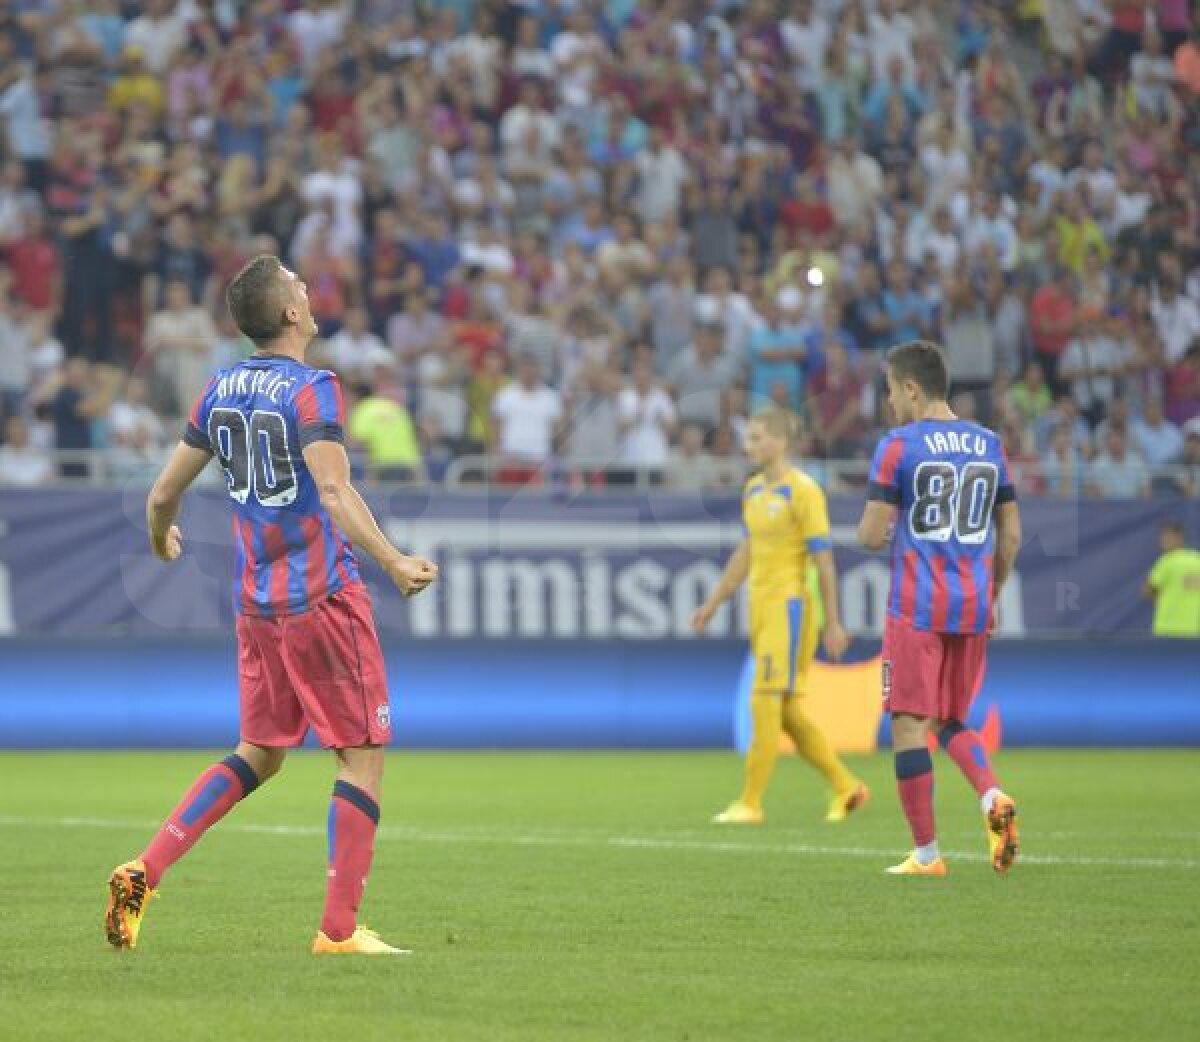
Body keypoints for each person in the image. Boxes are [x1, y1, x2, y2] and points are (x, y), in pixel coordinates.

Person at [103, 255, 438, 956]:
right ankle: (339, 933)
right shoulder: (313, 389)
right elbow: (337, 490)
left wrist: (161, 536)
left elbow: (162, 494)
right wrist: (395, 560)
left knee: (259, 751)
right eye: (298, 285)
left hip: (256, 604)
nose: (309, 292)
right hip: (322, 596)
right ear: (289, 313)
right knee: (361, 758)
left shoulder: (219, 387)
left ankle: (145, 869)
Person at [857, 341, 1022, 877]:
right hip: (972, 606)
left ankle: (927, 854)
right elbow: (1012, 535)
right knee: (951, 719)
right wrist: (991, 593)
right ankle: (990, 795)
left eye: (889, 390)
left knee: (908, 725)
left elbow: (870, 532)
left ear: (910, 387)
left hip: (916, 606)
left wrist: (878, 532)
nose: (888, 403)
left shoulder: (898, 445)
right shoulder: (989, 443)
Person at [692, 408, 868, 826]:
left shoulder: (803, 491)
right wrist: (714, 601)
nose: (748, 446)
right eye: (748, 438)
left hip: (790, 607)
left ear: (780, 441)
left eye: (756, 438)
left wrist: (835, 622)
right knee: (785, 710)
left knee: (764, 700)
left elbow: (824, 561)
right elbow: (747, 551)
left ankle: (750, 803)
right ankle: (846, 786)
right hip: (760, 606)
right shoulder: (754, 491)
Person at [1143, 521, 1200, 639]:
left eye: (1168, 538)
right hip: (1194, 630)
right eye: (1163, 538)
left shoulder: (1167, 561)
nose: (1164, 542)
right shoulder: (1197, 559)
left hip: (1168, 628)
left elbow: (1147, 591)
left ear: (1179, 538)